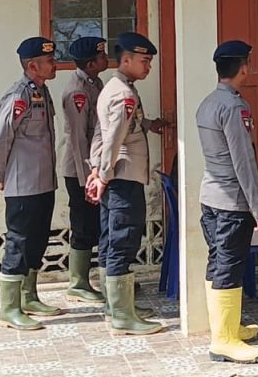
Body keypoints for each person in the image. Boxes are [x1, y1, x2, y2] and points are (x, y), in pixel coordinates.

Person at [195, 40, 258, 363]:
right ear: (243, 68)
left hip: (211, 196)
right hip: (231, 202)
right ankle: (223, 339)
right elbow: (243, 162)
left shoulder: (208, 103)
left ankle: (226, 328)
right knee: (229, 265)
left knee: (218, 261)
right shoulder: (235, 107)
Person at [88, 32, 165, 335]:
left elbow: (109, 131)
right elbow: (113, 138)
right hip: (122, 177)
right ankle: (122, 315)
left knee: (111, 238)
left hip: (116, 176)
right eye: (144, 61)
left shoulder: (119, 88)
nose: (148, 66)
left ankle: (116, 305)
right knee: (123, 240)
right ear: (127, 60)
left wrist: (97, 170)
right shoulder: (123, 95)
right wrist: (103, 175)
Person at [0, 37, 62, 330]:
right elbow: (1, 138)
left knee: (38, 239)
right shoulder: (18, 96)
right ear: (32, 66)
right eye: (49, 61)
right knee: (19, 242)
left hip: (43, 181)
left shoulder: (42, 92)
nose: (55, 65)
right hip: (22, 183)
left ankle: (29, 296)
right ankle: (9, 308)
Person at [60, 36, 107, 304]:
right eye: (101, 57)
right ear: (90, 64)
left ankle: (105, 280)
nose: (105, 59)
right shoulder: (77, 91)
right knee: (83, 225)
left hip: (93, 169)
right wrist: (86, 178)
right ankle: (78, 283)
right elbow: (78, 140)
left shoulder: (95, 83)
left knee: (97, 223)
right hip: (81, 169)